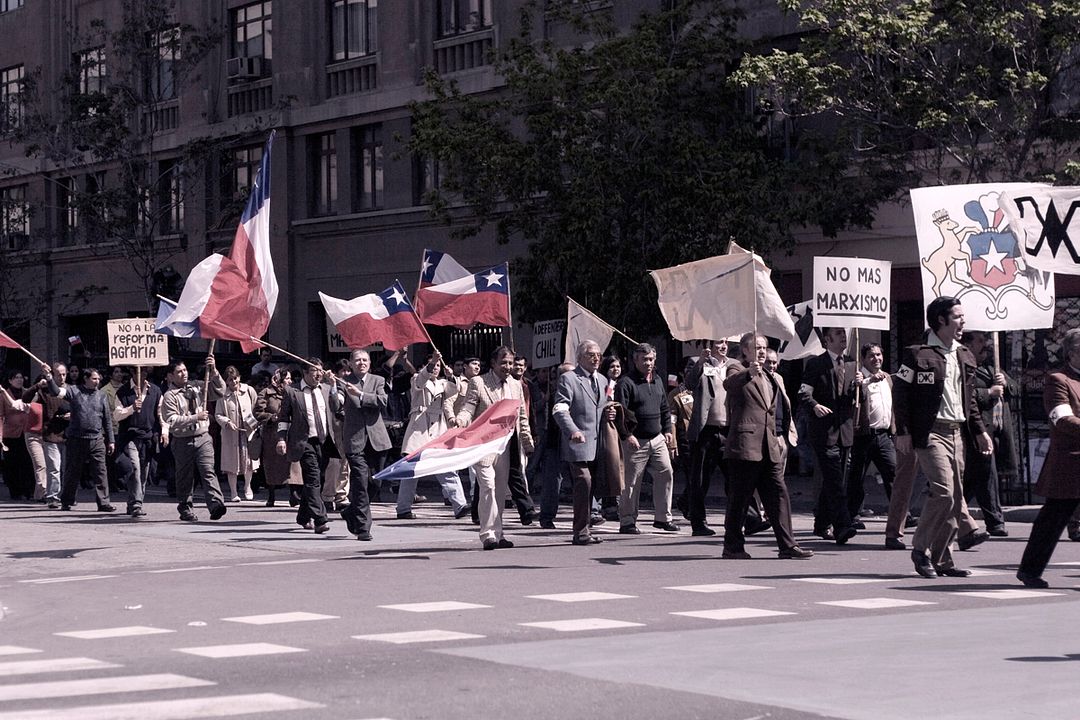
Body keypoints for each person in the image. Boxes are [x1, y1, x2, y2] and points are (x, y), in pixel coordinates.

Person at [894, 296, 992, 579]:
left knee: (955, 498)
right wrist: (903, 431)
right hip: (931, 432)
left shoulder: (964, 355)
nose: (963, 322)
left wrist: (980, 432)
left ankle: (943, 560)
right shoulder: (916, 354)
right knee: (944, 492)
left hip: (956, 432)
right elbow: (900, 393)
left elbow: (969, 400)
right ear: (941, 319)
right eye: (958, 317)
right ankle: (920, 549)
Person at [721, 334, 812, 560]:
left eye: (764, 347)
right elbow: (729, 384)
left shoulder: (770, 376)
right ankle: (732, 546)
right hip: (746, 446)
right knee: (740, 498)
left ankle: (787, 544)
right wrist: (747, 373)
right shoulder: (736, 368)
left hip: (769, 446)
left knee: (778, 494)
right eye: (756, 347)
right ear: (744, 350)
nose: (762, 351)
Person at [1016, 328, 1080, 588]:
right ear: (1073, 352)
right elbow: (1062, 419)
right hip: (1069, 464)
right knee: (1052, 520)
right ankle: (1030, 570)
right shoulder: (1058, 380)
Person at [455, 345, 534, 550]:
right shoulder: (478, 382)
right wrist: (461, 421)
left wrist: (527, 440)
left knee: (500, 491)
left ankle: (499, 534)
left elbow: (521, 416)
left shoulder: (516, 385)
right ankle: (487, 534)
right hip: (484, 445)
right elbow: (468, 407)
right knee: (487, 486)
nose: (507, 367)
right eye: (503, 363)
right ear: (493, 364)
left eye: (510, 363)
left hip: (506, 445)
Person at [799, 327, 863, 544]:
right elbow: (804, 393)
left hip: (845, 431)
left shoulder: (853, 363)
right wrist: (815, 405)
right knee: (835, 480)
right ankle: (842, 526)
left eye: (843, 333)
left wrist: (860, 386)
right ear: (827, 340)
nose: (843, 336)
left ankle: (821, 523)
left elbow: (855, 399)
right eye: (837, 333)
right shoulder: (816, 364)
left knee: (835, 479)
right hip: (824, 432)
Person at [552, 340, 619, 545]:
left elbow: (606, 404)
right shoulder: (569, 379)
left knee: (593, 486)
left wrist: (611, 411)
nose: (596, 358)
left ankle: (586, 528)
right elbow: (560, 409)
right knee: (584, 481)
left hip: (599, 443)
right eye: (591, 354)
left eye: (598, 354)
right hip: (578, 443)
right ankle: (580, 531)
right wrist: (572, 430)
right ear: (580, 357)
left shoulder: (602, 380)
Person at [396, 351, 469, 520]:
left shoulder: (443, 383)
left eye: (438, 366)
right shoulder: (416, 379)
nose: (436, 368)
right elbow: (421, 381)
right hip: (419, 426)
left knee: (446, 467)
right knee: (411, 471)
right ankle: (403, 508)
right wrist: (432, 362)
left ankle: (460, 505)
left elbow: (455, 393)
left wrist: (452, 377)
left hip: (438, 428)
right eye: (432, 365)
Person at [615, 343, 678, 534]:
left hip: (657, 438)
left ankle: (662, 518)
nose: (648, 363)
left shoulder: (657, 380)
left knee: (666, 472)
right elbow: (620, 413)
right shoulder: (626, 383)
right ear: (636, 361)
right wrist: (627, 436)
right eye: (644, 359)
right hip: (636, 441)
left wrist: (667, 429)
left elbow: (664, 408)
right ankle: (627, 521)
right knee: (631, 482)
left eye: (651, 359)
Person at [276, 358, 343, 535]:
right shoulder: (292, 392)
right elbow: (283, 419)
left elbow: (336, 407)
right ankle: (321, 518)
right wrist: (281, 439)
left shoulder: (327, 389)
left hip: (324, 441)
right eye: (315, 370)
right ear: (305, 372)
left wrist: (334, 385)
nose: (319, 374)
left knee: (316, 481)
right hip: (304, 442)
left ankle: (303, 516)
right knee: (313, 478)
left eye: (321, 370)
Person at [683, 338, 742, 536]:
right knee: (700, 479)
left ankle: (748, 518)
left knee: (736, 477)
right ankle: (698, 522)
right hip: (705, 430)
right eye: (718, 342)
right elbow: (689, 384)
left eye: (725, 342)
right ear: (709, 345)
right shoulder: (699, 363)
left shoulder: (735, 366)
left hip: (728, 430)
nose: (722, 346)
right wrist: (700, 362)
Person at [160, 356, 228, 522]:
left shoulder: (197, 386)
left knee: (208, 470)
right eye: (179, 372)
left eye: (184, 370)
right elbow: (171, 419)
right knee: (185, 476)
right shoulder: (170, 396)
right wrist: (195, 417)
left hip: (202, 436)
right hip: (182, 440)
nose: (183, 374)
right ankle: (185, 507)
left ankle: (216, 504)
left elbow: (220, 390)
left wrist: (214, 371)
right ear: (170, 376)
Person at [40, 365, 115, 512]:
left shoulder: (102, 395)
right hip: (76, 439)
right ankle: (67, 501)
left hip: (96, 439)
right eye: (94, 378)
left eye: (99, 379)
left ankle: (104, 503)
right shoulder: (74, 391)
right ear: (86, 379)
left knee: (101, 472)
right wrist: (49, 377)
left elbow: (107, 420)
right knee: (72, 472)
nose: (97, 381)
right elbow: (55, 392)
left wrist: (111, 440)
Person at [961, 331, 1015, 537]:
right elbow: (966, 396)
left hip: (997, 432)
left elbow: (1015, 388)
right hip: (978, 431)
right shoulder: (965, 368)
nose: (986, 345)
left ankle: (950, 511)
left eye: (986, 340)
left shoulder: (994, 369)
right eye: (980, 341)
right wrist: (989, 393)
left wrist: (1004, 382)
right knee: (986, 474)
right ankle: (995, 522)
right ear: (968, 344)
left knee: (976, 479)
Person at [339, 349, 391, 541]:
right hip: (355, 439)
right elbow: (340, 402)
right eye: (357, 360)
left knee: (375, 482)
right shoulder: (343, 382)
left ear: (369, 363)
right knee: (360, 482)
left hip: (377, 439)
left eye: (365, 360)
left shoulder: (378, 380)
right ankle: (363, 528)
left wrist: (361, 394)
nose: (361, 363)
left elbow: (383, 401)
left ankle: (351, 510)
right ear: (350, 364)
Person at [847, 343, 898, 535]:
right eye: (871, 355)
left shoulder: (887, 379)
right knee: (856, 478)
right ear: (864, 359)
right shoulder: (859, 378)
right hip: (863, 436)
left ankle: (900, 514)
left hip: (884, 436)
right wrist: (865, 381)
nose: (876, 358)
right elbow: (851, 396)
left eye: (879, 354)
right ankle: (851, 516)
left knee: (893, 474)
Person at [114, 368, 163, 517]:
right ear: (132, 374)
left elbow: (160, 414)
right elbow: (116, 415)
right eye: (138, 373)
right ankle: (136, 503)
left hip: (147, 437)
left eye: (145, 373)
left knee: (143, 472)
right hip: (130, 437)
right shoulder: (123, 392)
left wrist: (163, 432)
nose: (142, 376)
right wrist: (131, 408)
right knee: (135, 468)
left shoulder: (155, 391)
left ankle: (134, 503)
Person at [253, 368, 297, 507]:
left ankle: (293, 493)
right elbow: (258, 412)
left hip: (290, 432)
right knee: (271, 465)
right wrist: (271, 417)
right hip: (271, 434)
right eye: (287, 379)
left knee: (291, 464)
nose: (290, 381)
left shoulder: (292, 393)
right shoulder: (265, 393)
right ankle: (271, 495)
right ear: (280, 379)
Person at [215, 366, 259, 502]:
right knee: (231, 464)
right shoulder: (222, 395)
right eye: (230, 380)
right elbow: (218, 414)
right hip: (231, 433)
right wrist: (227, 422)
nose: (234, 382)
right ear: (226, 381)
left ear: (239, 377)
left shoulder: (249, 391)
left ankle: (247, 486)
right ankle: (233, 492)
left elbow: (256, 408)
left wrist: (253, 422)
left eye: (235, 378)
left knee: (249, 461)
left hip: (248, 432)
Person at [1, 369, 33, 501]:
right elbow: (1, 416)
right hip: (10, 435)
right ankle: (15, 491)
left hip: (26, 432)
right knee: (11, 464)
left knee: (27, 462)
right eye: (16, 377)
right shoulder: (3, 395)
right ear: (10, 380)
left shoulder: (28, 392)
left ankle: (29, 491)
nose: (19, 380)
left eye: (21, 377)